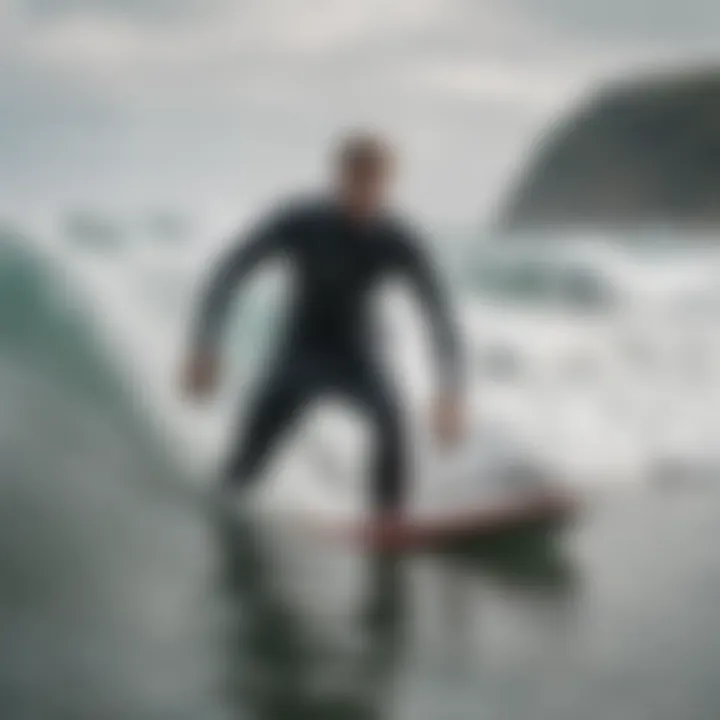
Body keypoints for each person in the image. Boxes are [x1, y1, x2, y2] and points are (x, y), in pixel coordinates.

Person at [182, 132, 466, 519]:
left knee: (391, 424)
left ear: (388, 184)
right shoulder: (300, 222)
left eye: (377, 183)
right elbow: (231, 270)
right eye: (358, 180)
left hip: (360, 355)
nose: (366, 193)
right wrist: (204, 345)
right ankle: (221, 515)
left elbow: (438, 311)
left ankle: (389, 525)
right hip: (300, 352)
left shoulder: (397, 239)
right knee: (244, 466)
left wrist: (449, 391)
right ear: (339, 178)